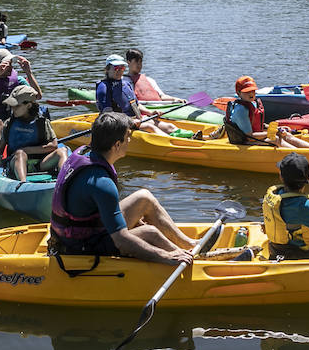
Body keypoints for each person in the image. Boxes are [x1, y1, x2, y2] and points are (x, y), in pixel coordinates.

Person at [47, 112, 197, 264]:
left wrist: (135, 221)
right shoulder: (101, 182)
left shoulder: (85, 153)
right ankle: (183, 257)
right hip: (79, 245)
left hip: (79, 229)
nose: (130, 140)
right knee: (150, 233)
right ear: (117, 145)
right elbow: (121, 241)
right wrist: (164, 256)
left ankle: (189, 245)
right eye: (127, 137)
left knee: (144, 198)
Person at [207, 76, 309, 149]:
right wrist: (271, 133)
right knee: (276, 139)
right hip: (245, 142)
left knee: (286, 134)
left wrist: (277, 129)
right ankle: (304, 157)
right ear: (238, 93)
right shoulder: (241, 110)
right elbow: (249, 137)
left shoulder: (253, 103)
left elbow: (257, 124)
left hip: (255, 137)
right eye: (247, 92)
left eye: (252, 90)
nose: (251, 94)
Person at [0, 85, 68, 182]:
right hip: (16, 162)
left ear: (28, 105)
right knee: (20, 153)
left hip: (41, 163)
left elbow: (53, 146)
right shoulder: (9, 123)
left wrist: (27, 150)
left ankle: (64, 181)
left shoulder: (42, 122)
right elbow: (0, 148)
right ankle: (23, 184)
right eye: (12, 106)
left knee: (62, 151)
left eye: (16, 106)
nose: (13, 109)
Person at [95, 54, 180, 136]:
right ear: (107, 69)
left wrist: (150, 113)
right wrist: (130, 122)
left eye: (122, 68)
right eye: (116, 68)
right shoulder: (103, 87)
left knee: (169, 127)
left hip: (135, 120)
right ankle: (175, 144)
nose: (120, 71)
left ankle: (190, 138)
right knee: (149, 127)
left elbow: (136, 104)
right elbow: (108, 114)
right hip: (117, 124)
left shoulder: (126, 84)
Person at [0, 48, 42, 153]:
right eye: (8, 64)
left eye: (11, 64)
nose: (11, 67)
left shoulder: (17, 80)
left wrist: (29, 73)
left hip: (13, 118)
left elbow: (37, 96)